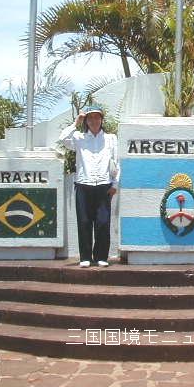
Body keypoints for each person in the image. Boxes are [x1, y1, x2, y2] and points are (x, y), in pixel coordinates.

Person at [58, 106, 119, 267]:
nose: (94, 121)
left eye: (97, 117)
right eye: (90, 118)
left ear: (102, 120)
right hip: (83, 184)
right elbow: (63, 139)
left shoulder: (110, 138)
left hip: (104, 185)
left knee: (103, 222)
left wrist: (115, 184)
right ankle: (85, 257)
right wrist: (75, 123)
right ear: (86, 121)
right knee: (84, 221)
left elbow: (116, 161)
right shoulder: (79, 138)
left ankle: (101, 256)